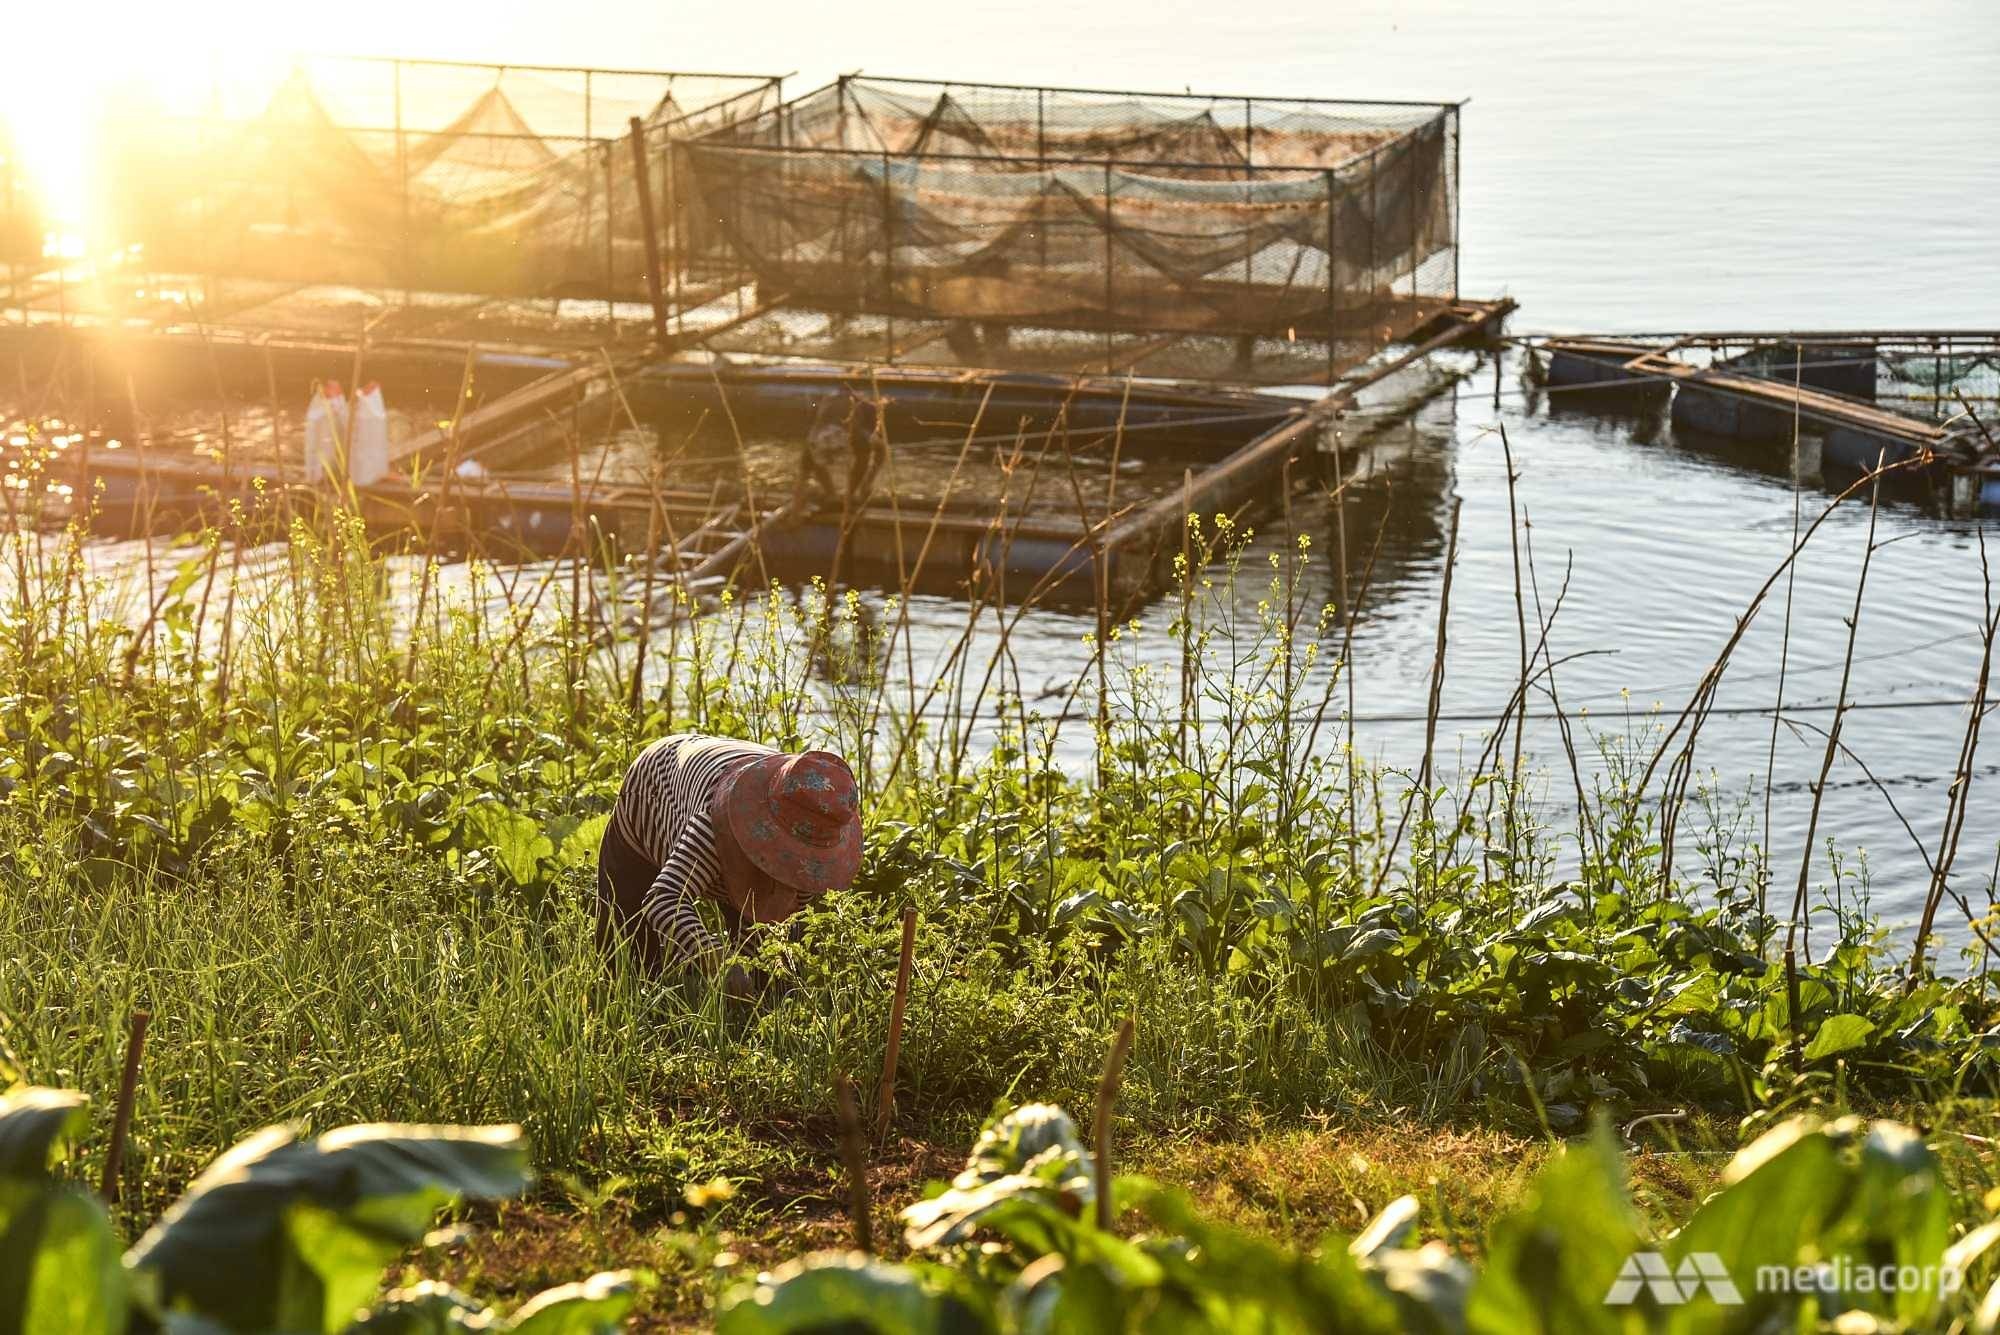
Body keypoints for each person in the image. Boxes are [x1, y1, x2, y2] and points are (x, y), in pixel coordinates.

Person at [596, 734, 862, 997]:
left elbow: (773, 926)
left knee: (768, 978)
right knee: (627, 957)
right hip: (655, 787)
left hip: (718, 775)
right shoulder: (715, 823)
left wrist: (745, 970)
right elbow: (663, 899)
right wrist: (716, 960)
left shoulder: (815, 857)